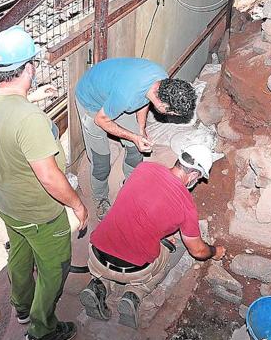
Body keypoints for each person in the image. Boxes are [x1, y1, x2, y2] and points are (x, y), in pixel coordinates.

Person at [0, 26, 88, 340]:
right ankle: (42, 329)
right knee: (56, 268)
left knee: (20, 255)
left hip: (6, 205)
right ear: (28, 68)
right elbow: (50, 177)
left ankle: (21, 307)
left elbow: (7, 114)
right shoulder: (30, 120)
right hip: (39, 214)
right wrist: (77, 205)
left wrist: (28, 98)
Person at [79, 143, 226, 328]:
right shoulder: (186, 205)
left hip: (96, 255)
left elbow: (139, 207)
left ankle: (99, 284)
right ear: (194, 175)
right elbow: (198, 251)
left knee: (123, 234)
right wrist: (214, 251)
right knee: (180, 244)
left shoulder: (144, 168)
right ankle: (135, 293)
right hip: (135, 270)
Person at [74, 58, 197, 219]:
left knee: (136, 149)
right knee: (101, 161)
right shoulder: (127, 95)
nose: (171, 117)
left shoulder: (161, 82)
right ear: (162, 105)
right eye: (172, 113)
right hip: (90, 101)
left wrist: (140, 130)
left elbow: (145, 100)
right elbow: (100, 120)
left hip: (114, 92)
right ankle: (100, 198)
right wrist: (133, 136)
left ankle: (131, 184)